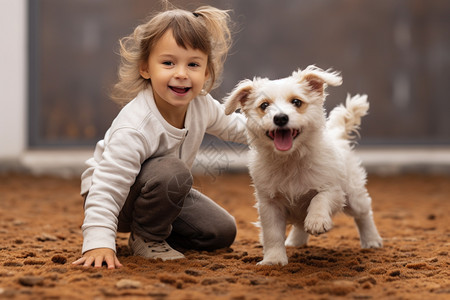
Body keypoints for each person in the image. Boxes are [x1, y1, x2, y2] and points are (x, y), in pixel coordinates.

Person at [72, 3, 247, 269]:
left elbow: (237, 127)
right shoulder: (136, 125)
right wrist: (98, 241)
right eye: (168, 63)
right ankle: (146, 238)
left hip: (164, 192)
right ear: (146, 68)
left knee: (220, 230)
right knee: (173, 171)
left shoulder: (202, 105)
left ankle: (156, 229)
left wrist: (280, 129)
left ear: (206, 72)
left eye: (193, 64)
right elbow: (108, 185)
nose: (181, 74)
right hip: (117, 201)